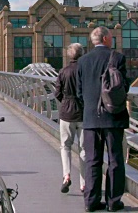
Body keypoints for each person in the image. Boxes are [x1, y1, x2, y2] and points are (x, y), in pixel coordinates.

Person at [77, 27, 129, 212]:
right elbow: (124, 87)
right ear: (106, 38)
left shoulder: (82, 61)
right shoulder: (118, 58)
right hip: (113, 117)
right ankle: (113, 202)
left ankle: (91, 201)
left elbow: (79, 92)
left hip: (91, 117)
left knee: (92, 160)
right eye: (111, 38)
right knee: (115, 159)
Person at [54, 43, 85, 194]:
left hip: (66, 112)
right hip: (83, 114)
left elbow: (57, 93)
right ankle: (84, 183)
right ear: (82, 54)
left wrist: (66, 102)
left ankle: (66, 176)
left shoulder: (63, 71)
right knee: (84, 149)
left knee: (65, 146)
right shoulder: (85, 70)